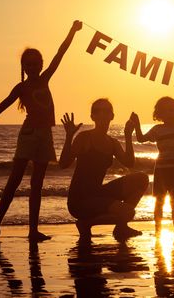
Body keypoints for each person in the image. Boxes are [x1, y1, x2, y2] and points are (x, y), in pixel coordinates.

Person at [0, 20, 82, 243]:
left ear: (42, 65)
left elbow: (61, 52)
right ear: (24, 67)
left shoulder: (46, 78)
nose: (34, 67)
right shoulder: (21, 88)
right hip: (28, 135)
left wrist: (72, 31)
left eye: (37, 63)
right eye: (29, 64)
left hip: (45, 136)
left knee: (37, 185)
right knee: (14, 182)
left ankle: (33, 231)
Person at [59, 99, 149, 241]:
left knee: (142, 179)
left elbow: (129, 163)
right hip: (80, 201)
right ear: (92, 116)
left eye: (106, 111)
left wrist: (127, 135)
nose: (102, 114)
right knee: (128, 212)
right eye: (97, 111)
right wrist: (69, 135)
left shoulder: (112, 143)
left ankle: (121, 226)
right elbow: (63, 164)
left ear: (112, 116)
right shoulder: (84, 138)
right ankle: (86, 223)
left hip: (98, 193)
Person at [131, 97, 174, 235]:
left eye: (172, 109)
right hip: (161, 170)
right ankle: (158, 230)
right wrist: (136, 124)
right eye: (165, 110)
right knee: (159, 202)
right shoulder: (157, 130)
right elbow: (141, 139)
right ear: (159, 114)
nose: (169, 112)